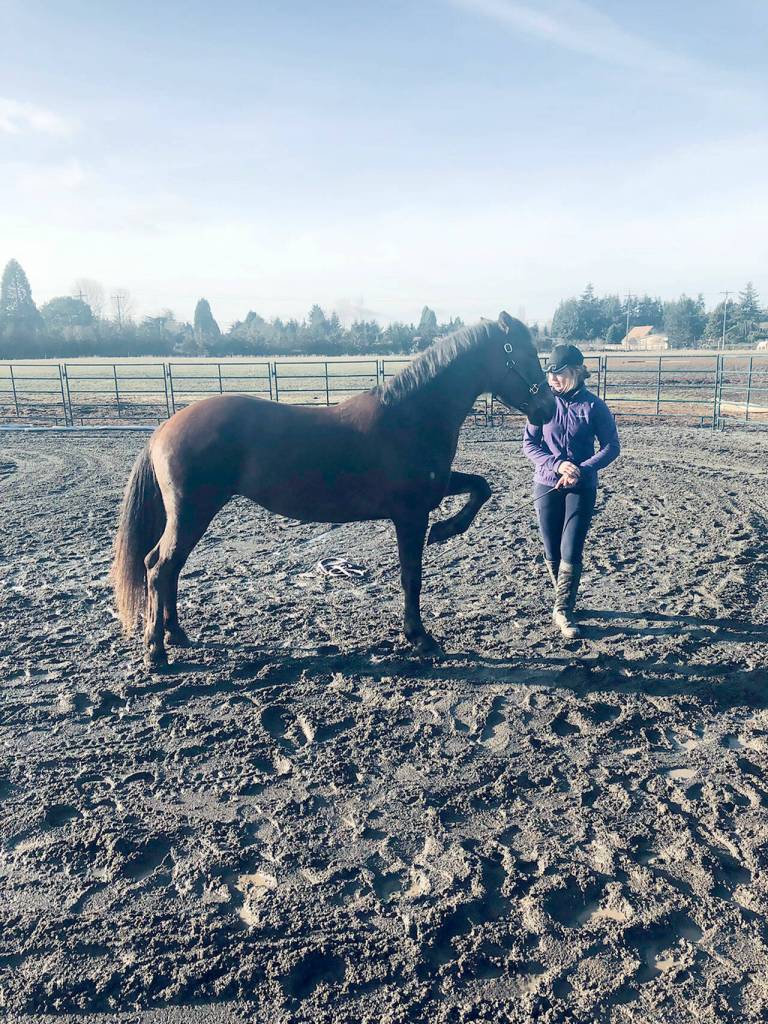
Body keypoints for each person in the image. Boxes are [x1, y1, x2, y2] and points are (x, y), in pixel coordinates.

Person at [523, 344, 620, 639]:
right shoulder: (541, 404)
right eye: (550, 375)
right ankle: (563, 598)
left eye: (559, 374)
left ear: (576, 372)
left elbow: (611, 447)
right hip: (547, 483)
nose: (553, 380)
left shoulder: (594, 407)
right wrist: (557, 465)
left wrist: (583, 469)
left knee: (571, 547)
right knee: (552, 549)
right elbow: (530, 444)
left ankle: (563, 609)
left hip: (582, 487)